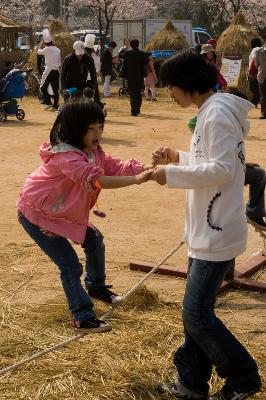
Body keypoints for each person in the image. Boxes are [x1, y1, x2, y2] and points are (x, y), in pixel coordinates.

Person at [150, 49, 261, 400]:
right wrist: (178, 158)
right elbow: (209, 162)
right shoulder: (211, 111)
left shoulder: (215, 116)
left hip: (216, 229)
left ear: (187, 84)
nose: (170, 93)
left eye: (171, 86)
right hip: (208, 228)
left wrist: (170, 174)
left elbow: (223, 170)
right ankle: (192, 382)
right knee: (194, 314)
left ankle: (242, 377)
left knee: (196, 315)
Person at [17, 98, 152, 333]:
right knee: (70, 266)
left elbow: (115, 167)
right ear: (75, 129)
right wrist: (136, 180)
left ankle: (96, 286)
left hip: (62, 214)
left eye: (100, 126)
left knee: (94, 240)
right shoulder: (65, 156)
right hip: (39, 215)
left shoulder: (92, 151)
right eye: (91, 128)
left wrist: (149, 169)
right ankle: (82, 316)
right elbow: (95, 180)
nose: (97, 132)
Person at [37, 29, 61, 111]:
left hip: (48, 70)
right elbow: (59, 62)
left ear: (45, 42)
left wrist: (41, 46)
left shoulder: (47, 49)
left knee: (43, 87)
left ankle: (48, 102)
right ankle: (55, 105)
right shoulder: (58, 49)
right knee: (55, 88)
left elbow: (39, 52)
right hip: (56, 70)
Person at [122, 39, 147, 116]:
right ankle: (138, 110)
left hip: (130, 77)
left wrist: (123, 74)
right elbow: (144, 66)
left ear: (131, 45)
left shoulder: (127, 53)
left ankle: (133, 111)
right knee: (138, 93)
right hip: (139, 76)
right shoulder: (142, 54)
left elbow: (124, 64)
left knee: (132, 93)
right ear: (138, 45)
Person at [84, 34, 103, 108]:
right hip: (93, 78)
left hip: (83, 77)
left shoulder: (81, 54)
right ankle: (97, 108)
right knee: (95, 95)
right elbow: (98, 68)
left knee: (83, 94)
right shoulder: (96, 55)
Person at [248, 38, 262, 108]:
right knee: (256, 87)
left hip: (254, 72)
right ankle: (253, 103)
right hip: (260, 71)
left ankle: (261, 101)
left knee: (253, 88)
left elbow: (254, 60)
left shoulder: (255, 49)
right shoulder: (261, 49)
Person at [255, 33, 266, 119]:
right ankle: (263, 114)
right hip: (262, 76)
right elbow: (256, 64)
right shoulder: (258, 52)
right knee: (263, 96)